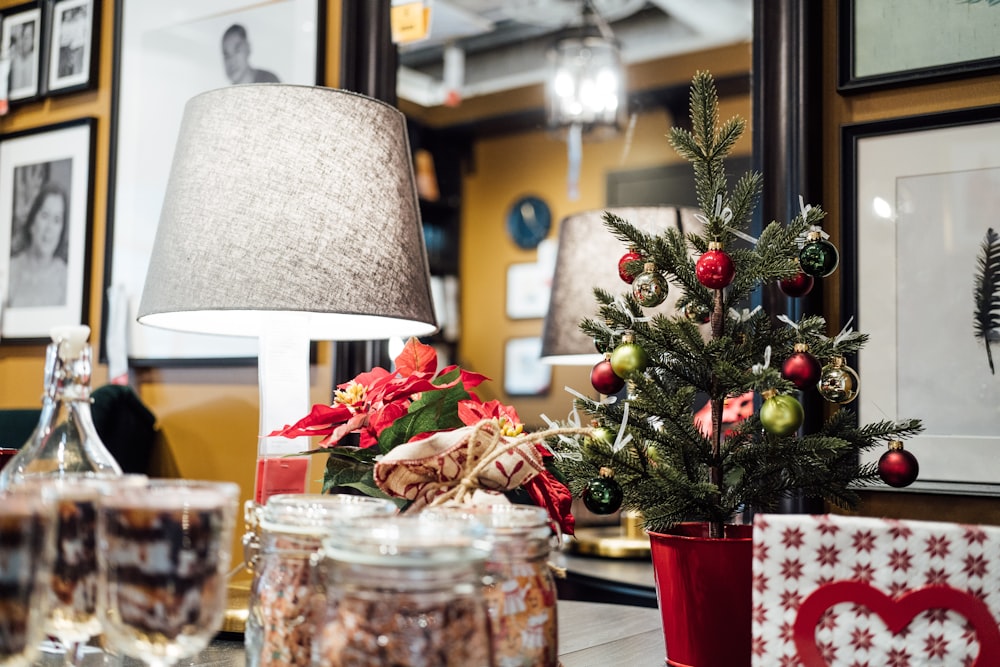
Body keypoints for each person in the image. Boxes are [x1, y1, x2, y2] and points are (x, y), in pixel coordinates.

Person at [7, 182, 69, 308]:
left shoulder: (66, 278)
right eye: (45, 215)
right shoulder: (10, 270)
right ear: (32, 222)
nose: (49, 228)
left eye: (57, 220)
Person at [8, 21, 36, 93]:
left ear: (33, 39)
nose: (23, 41)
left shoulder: (35, 61)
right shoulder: (15, 60)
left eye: (27, 37)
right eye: (22, 37)